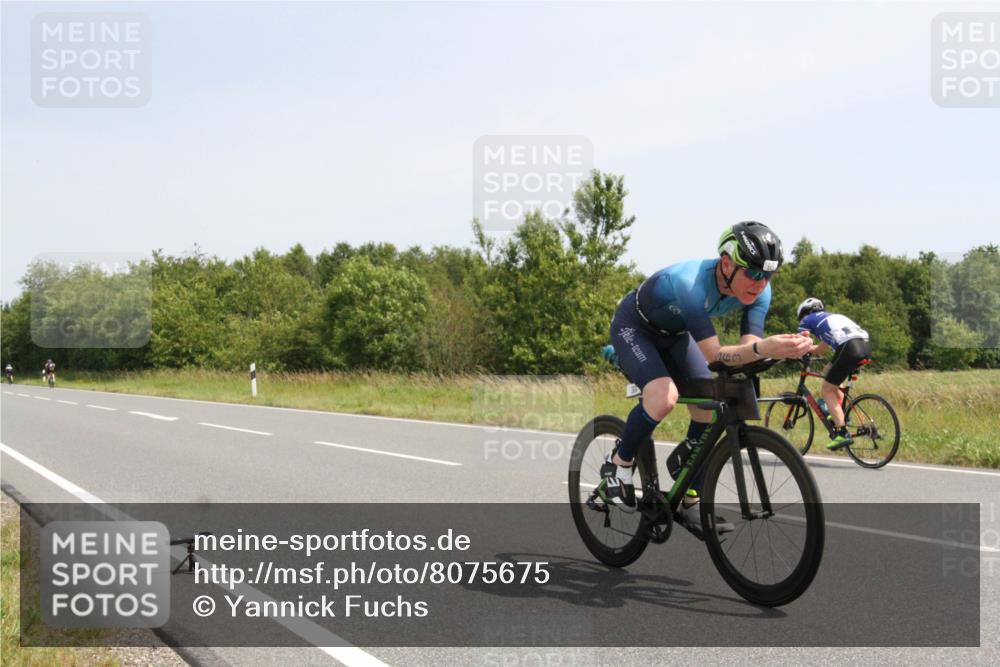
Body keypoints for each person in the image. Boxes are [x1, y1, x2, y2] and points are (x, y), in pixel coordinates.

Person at [603, 221, 812, 532]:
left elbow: (743, 352)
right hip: (634, 327)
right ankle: (618, 465)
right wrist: (764, 347)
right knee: (663, 397)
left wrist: (779, 350)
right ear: (727, 264)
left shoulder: (761, 292)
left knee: (710, 401)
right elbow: (715, 355)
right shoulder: (690, 284)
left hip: (676, 335)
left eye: (768, 274)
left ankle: (688, 489)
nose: (761, 282)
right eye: (753, 272)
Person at [796, 298, 872, 450]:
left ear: (804, 313)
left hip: (849, 347)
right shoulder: (831, 318)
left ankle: (842, 433)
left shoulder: (807, 320)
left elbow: (801, 341)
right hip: (865, 345)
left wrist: (795, 353)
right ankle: (841, 413)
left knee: (826, 389)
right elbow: (821, 349)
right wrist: (811, 351)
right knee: (827, 372)